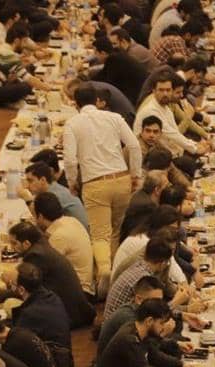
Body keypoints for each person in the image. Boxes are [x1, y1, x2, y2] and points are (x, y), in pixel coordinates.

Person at [63, 84, 141, 281]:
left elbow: (70, 160)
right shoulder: (114, 118)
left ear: (75, 103)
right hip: (121, 178)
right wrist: (135, 174)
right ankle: (113, 274)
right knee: (114, 231)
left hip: (95, 182)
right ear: (96, 100)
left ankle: (104, 271)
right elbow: (133, 145)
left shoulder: (73, 124)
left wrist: (72, 182)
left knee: (99, 235)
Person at [95, 297, 182, 367]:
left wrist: (181, 364)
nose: (163, 328)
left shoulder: (138, 329)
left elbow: (154, 355)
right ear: (149, 321)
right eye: (161, 323)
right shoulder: (130, 341)